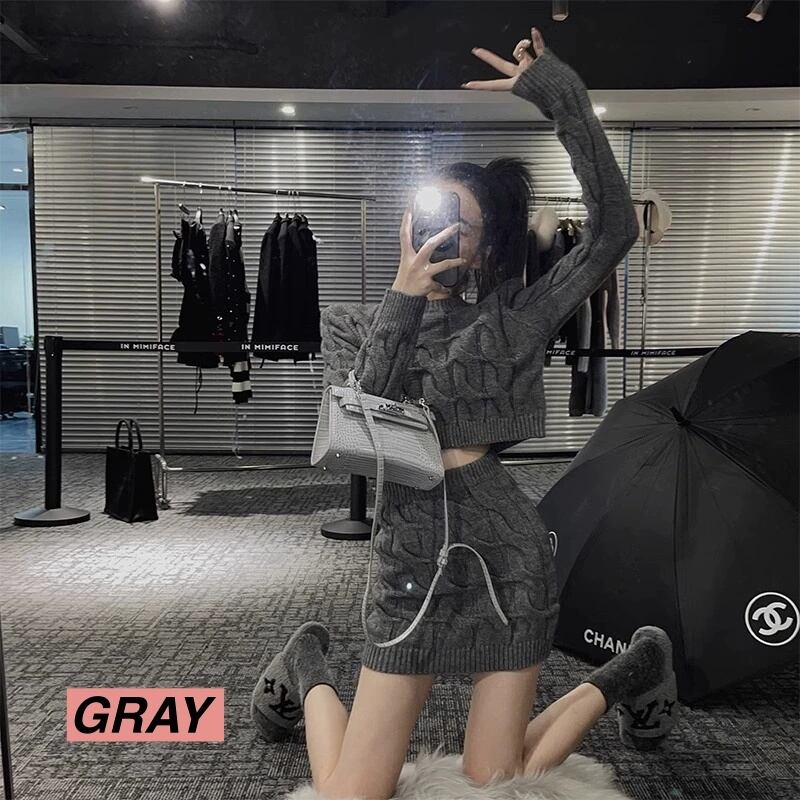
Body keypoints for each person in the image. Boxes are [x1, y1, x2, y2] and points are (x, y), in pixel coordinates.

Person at [250, 26, 679, 800]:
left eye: (460, 226)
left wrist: (558, 95)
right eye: (429, 217)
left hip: (506, 557)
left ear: (483, 246)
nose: (440, 235)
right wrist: (404, 298)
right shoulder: (354, 322)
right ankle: (309, 663)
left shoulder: (515, 317)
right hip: (406, 560)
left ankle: (631, 667)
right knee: (353, 794)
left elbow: (614, 229)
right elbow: (363, 424)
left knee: (495, 781)